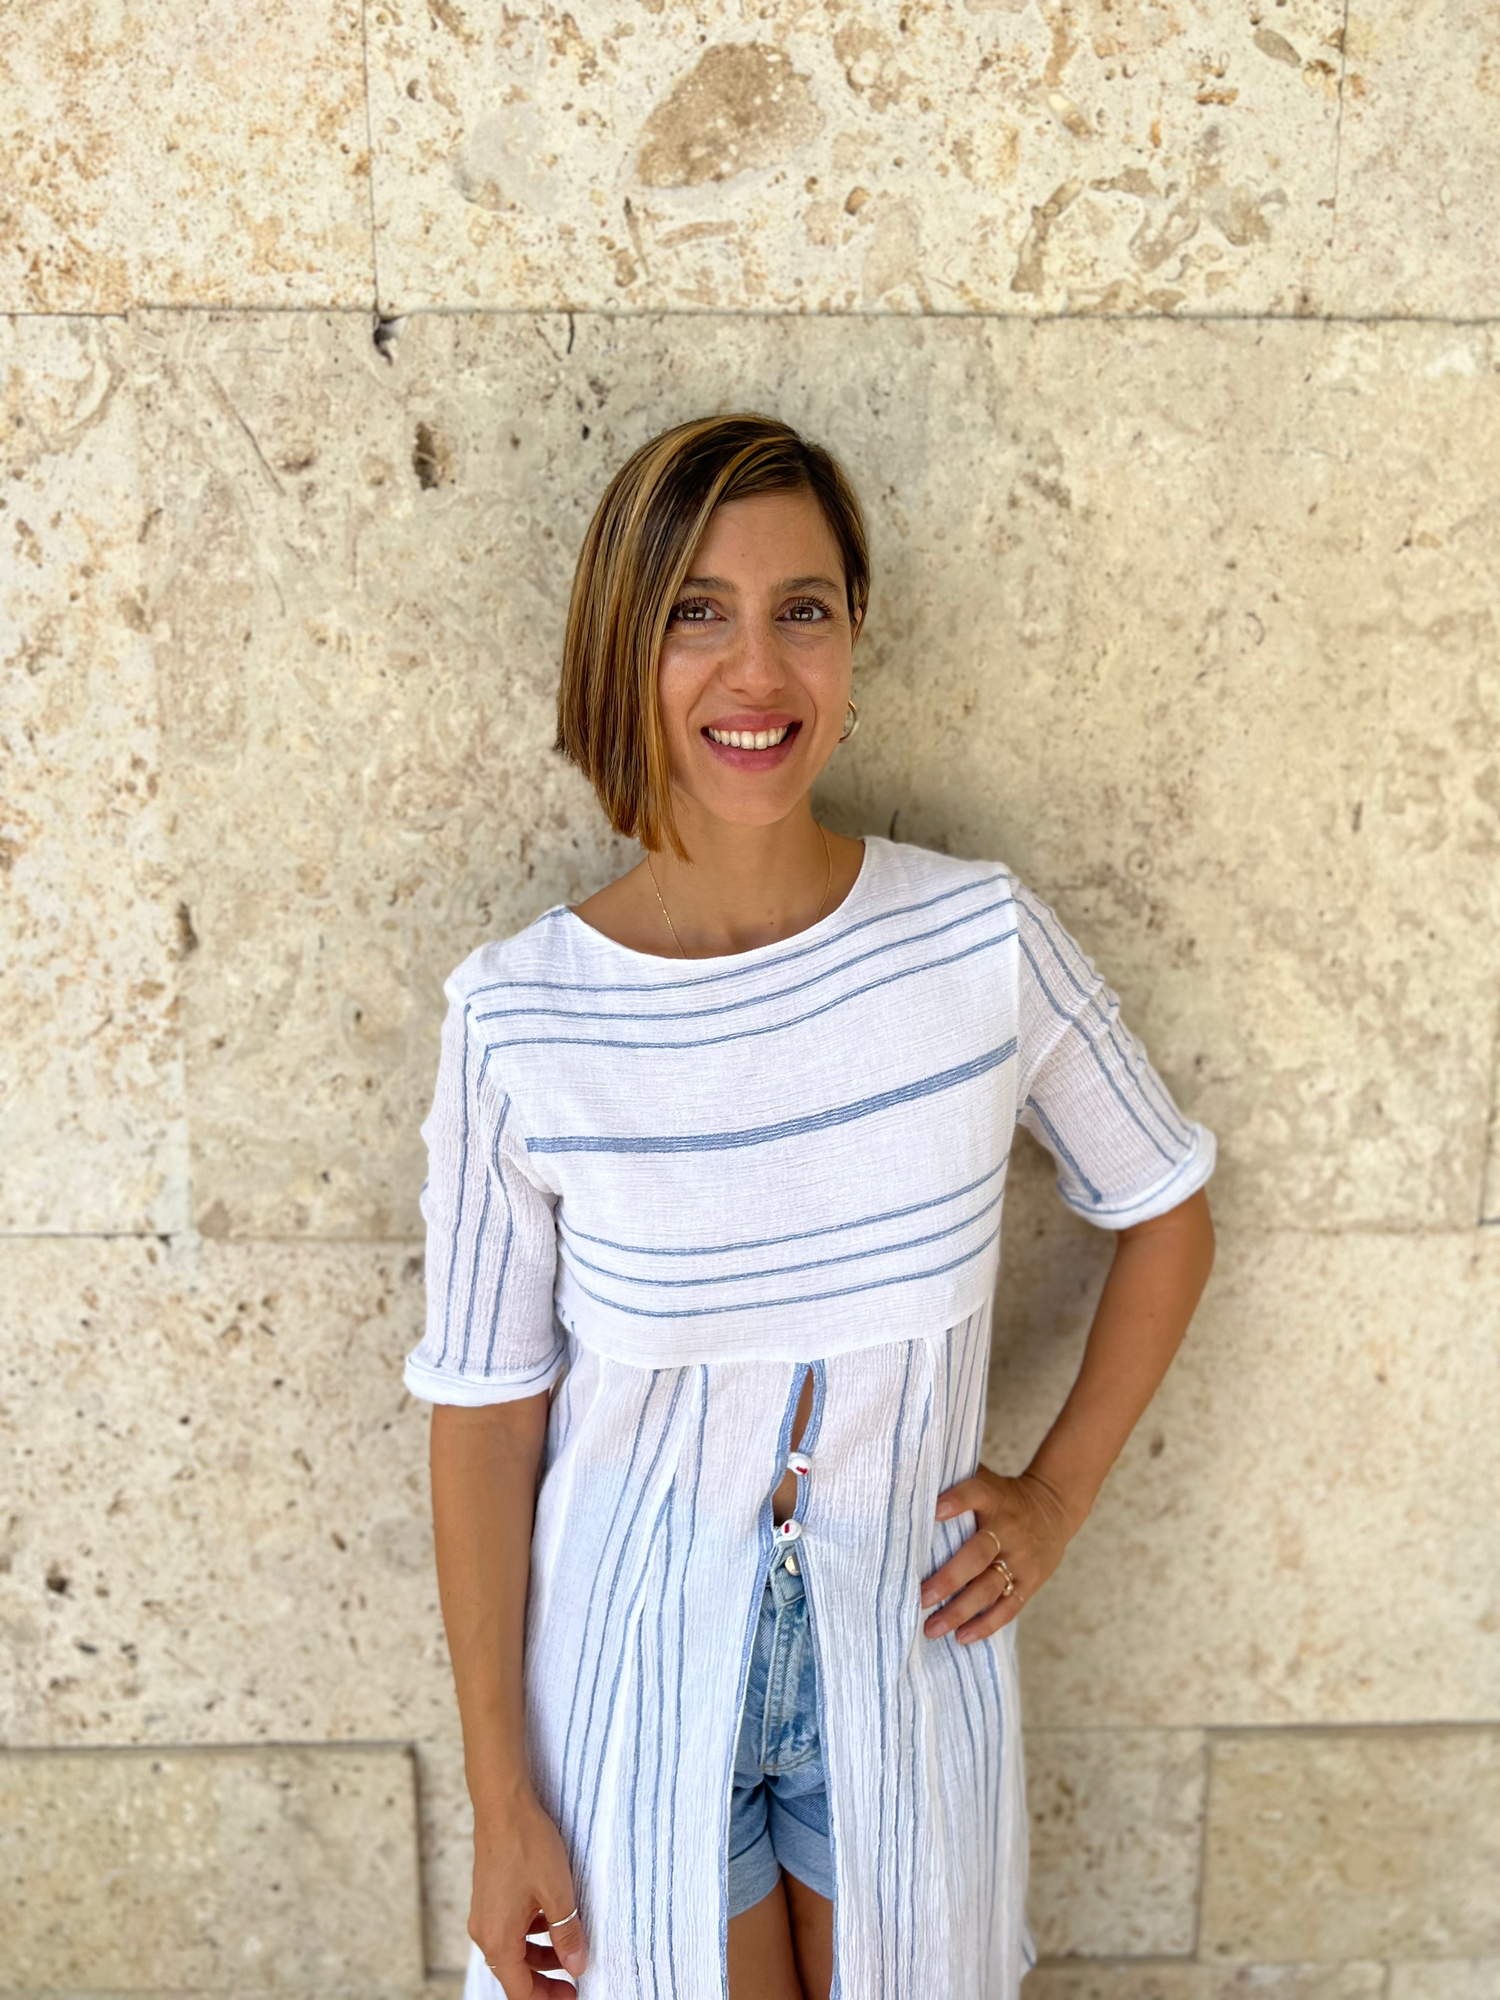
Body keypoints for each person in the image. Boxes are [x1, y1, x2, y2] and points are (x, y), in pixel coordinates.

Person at [404, 415, 1217, 2000]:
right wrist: (502, 1801)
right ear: (618, 644)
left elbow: (1167, 1207)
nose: (755, 671)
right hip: (630, 1688)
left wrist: (1055, 1498)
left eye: (804, 609)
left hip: (909, 1662)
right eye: (695, 611)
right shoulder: (522, 1019)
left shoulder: (977, 941)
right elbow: (487, 1420)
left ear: (855, 638)